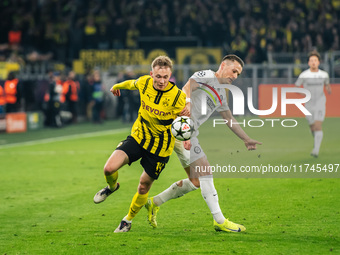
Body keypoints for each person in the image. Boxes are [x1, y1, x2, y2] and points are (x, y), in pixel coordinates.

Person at [145, 54, 262, 233]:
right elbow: (187, 88)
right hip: (180, 128)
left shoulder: (222, 93)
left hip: (188, 132)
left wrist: (246, 139)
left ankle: (154, 202)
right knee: (205, 171)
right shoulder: (207, 75)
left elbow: (229, 119)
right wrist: (187, 121)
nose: (235, 76)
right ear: (223, 65)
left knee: (196, 181)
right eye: (234, 70)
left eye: (238, 73)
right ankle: (219, 220)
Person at [93, 56, 186, 233]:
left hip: (161, 148)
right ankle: (112, 187)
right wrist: (117, 86)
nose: (162, 81)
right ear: (152, 74)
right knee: (108, 169)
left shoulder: (178, 97)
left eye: (166, 77)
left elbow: (185, 123)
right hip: (138, 137)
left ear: (170, 76)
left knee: (143, 185)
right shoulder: (144, 82)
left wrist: (187, 136)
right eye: (158, 76)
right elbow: (131, 83)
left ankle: (127, 220)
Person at [295, 51, 331, 157]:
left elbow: (327, 84)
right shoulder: (304, 75)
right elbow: (297, 87)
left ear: (319, 62)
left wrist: (328, 89)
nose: (313, 62)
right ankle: (316, 142)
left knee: (318, 126)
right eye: (311, 60)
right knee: (312, 128)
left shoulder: (324, 74)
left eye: (315, 60)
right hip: (308, 104)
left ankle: (316, 150)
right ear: (308, 63)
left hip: (320, 102)